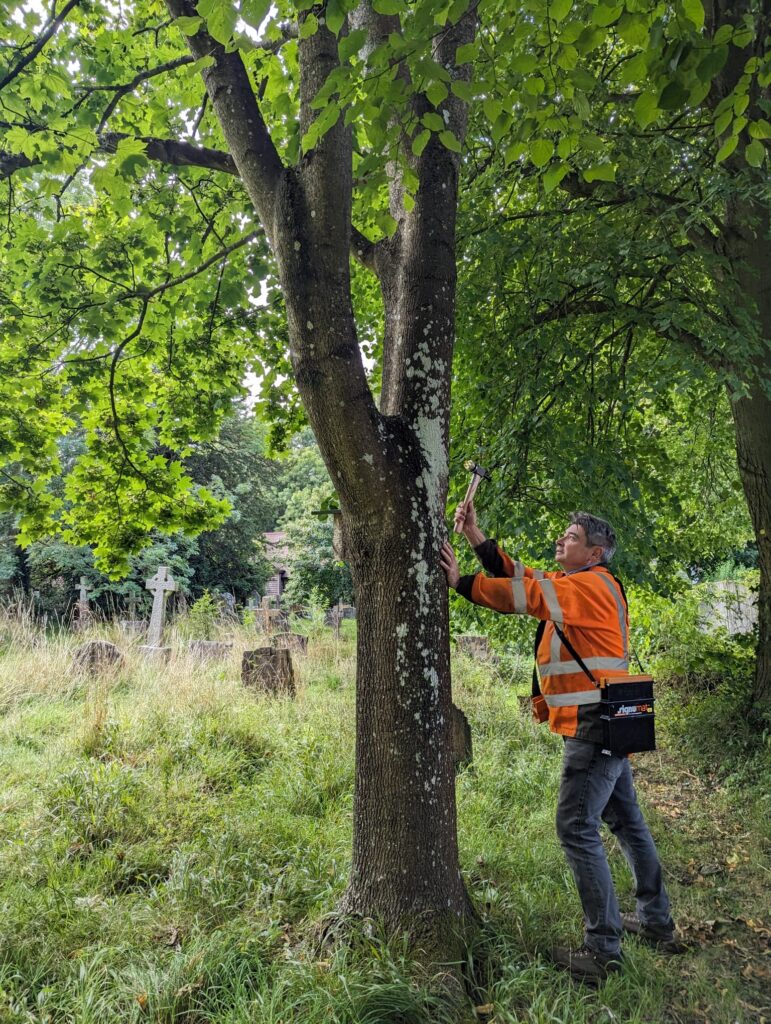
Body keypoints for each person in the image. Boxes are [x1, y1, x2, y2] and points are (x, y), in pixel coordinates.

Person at [440, 502, 682, 984]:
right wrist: (474, 536)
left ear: (594, 553)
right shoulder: (581, 583)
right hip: (608, 720)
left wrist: (461, 583)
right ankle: (656, 922)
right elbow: (524, 575)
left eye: (570, 537)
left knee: (575, 827)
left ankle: (603, 951)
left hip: (593, 725)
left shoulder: (588, 586)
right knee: (626, 820)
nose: (560, 541)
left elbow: (526, 594)